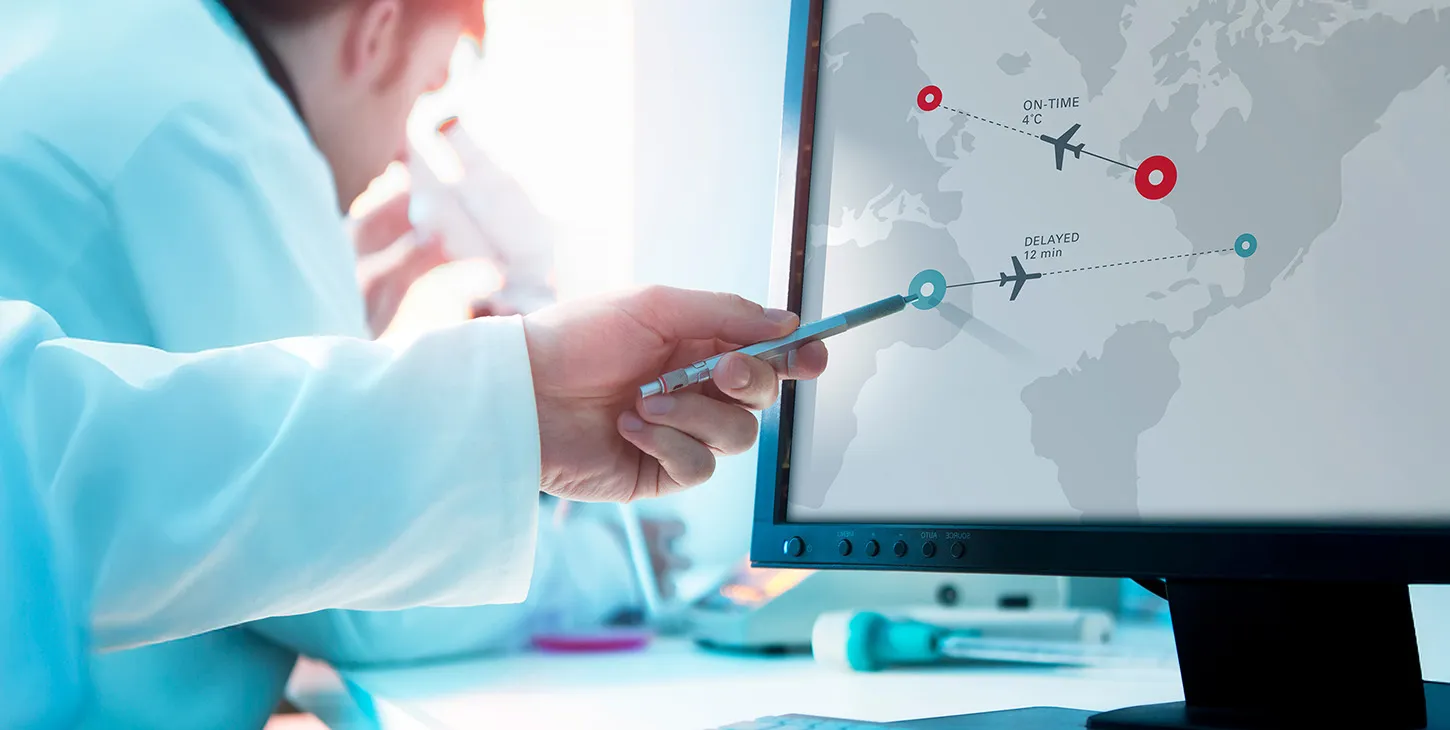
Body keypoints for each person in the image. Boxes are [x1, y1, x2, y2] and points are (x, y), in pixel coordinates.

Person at [0, 1, 828, 728]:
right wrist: (619, 565)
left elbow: (74, 462)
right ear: (377, 28)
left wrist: (358, 381)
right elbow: (358, 609)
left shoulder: (102, 45)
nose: (399, 150)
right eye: (424, 89)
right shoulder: (220, 121)